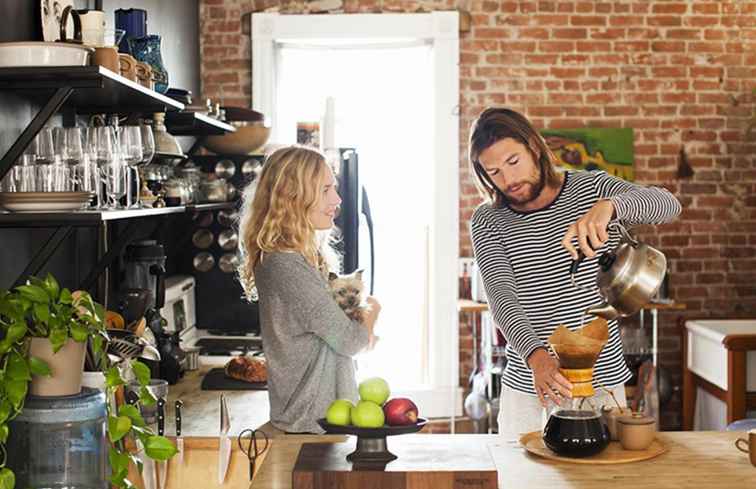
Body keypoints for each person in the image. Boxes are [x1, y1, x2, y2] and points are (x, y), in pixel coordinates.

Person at [468, 108, 682, 439]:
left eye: (513, 162)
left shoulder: (591, 188)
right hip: (530, 386)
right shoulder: (488, 221)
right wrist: (538, 359)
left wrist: (611, 206)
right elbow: (502, 299)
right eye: (494, 172)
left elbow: (669, 205)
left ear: (534, 149)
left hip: (601, 382)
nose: (508, 180)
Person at [238, 145, 381, 435]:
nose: (337, 200)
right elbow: (349, 341)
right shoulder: (286, 265)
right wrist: (372, 312)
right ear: (293, 196)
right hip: (309, 424)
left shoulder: (295, 258)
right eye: (326, 190)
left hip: (319, 419)